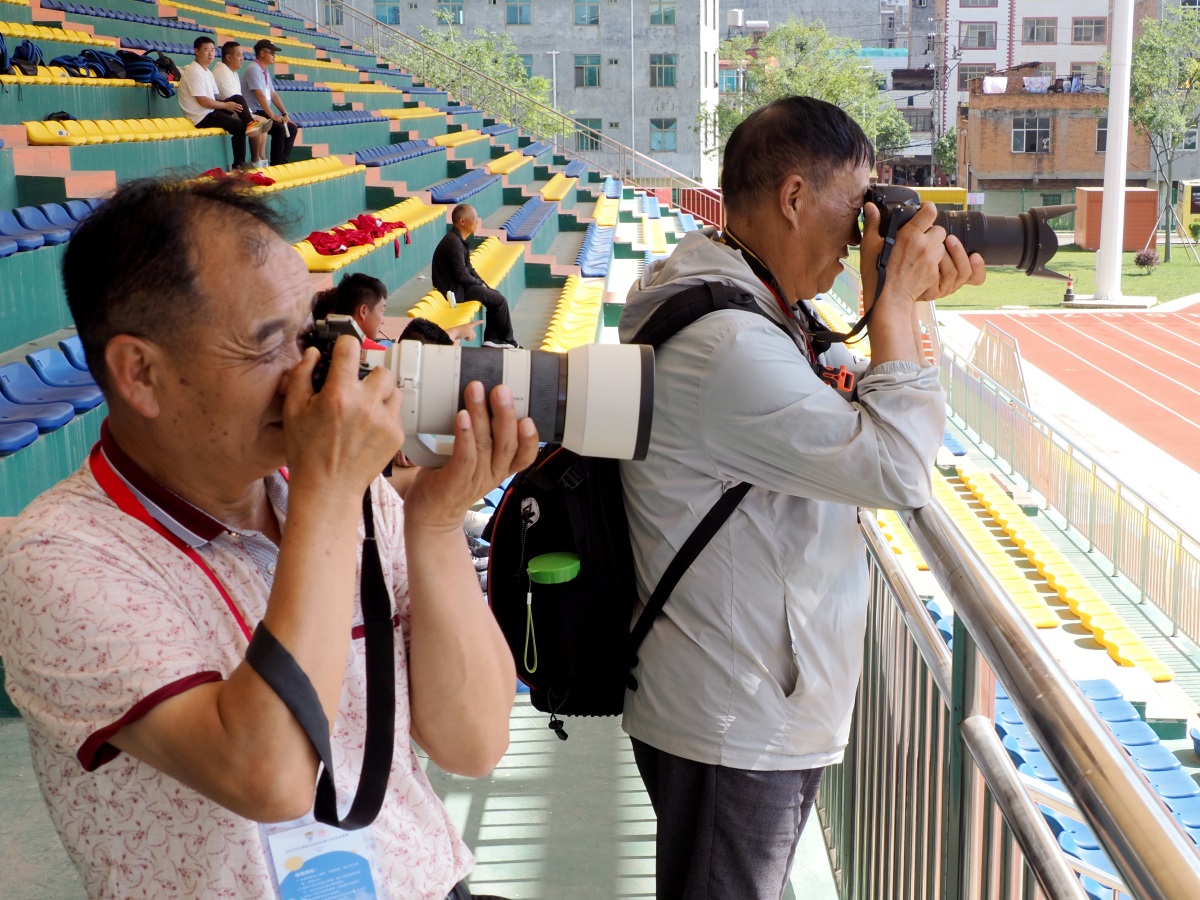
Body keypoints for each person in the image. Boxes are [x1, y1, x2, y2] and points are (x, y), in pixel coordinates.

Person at [0, 177, 538, 899]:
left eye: (310, 329)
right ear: (142, 373)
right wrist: (330, 490)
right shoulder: (57, 561)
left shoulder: (343, 493)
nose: (311, 373)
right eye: (269, 346)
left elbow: (474, 742)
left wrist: (435, 522)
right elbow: (272, 777)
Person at [616, 95, 985, 899]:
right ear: (792, 199)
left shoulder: (749, 306)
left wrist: (905, 305)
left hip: (740, 697)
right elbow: (898, 470)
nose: (865, 236)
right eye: (856, 208)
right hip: (734, 715)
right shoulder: (730, 346)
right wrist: (891, 304)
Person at [431, 204, 518, 348]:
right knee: (499, 299)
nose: (477, 221)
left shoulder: (459, 240)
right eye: (474, 218)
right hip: (453, 290)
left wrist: (482, 283)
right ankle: (508, 341)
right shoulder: (452, 242)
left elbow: (469, 269)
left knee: (493, 294)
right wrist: (478, 283)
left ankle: (492, 339)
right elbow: (461, 275)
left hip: (459, 286)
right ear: (462, 221)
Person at [177, 36, 252, 170]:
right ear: (196, 51)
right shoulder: (194, 72)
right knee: (240, 127)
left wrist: (229, 105)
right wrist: (225, 106)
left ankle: (252, 124)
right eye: (206, 50)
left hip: (210, 111)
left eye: (212, 50)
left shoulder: (207, 72)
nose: (211, 53)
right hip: (200, 117)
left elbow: (215, 98)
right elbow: (203, 101)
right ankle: (239, 165)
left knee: (237, 99)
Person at [211, 40, 269, 168]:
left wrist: (250, 114)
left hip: (234, 109)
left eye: (242, 55)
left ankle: (261, 159)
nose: (242, 58)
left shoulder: (234, 73)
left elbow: (239, 100)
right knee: (257, 123)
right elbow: (232, 99)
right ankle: (255, 161)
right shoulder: (221, 71)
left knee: (262, 121)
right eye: (239, 55)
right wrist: (251, 116)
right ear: (228, 57)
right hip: (224, 110)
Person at [241, 39, 297, 167]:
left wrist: (284, 113)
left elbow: (273, 94)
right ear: (262, 53)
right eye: (272, 53)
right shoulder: (254, 69)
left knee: (292, 128)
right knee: (279, 129)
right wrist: (273, 116)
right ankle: (276, 164)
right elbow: (260, 95)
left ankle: (282, 163)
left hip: (263, 111)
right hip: (254, 112)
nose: (274, 56)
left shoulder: (264, 70)